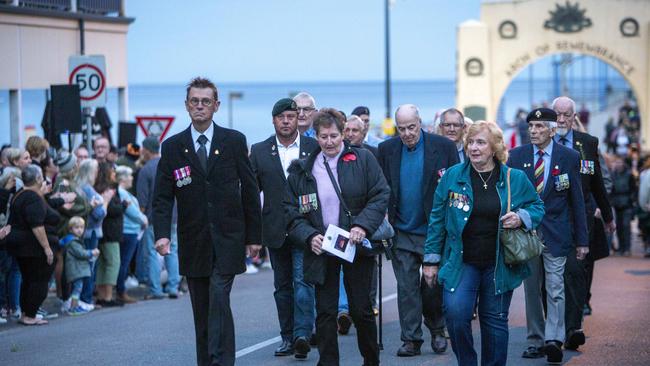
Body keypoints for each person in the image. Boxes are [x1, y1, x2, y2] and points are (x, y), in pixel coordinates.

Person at [153, 77, 262, 366]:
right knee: (201, 308)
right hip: (193, 240)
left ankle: (221, 361)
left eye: (205, 101)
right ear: (187, 106)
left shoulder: (234, 141)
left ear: (216, 106)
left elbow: (250, 191)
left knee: (218, 298)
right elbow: (162, 197)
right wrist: (161, 234)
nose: (199, 106)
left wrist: (254, 237)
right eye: (194, 101)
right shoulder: (173, 147)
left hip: (228, 239)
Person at [423, 121, 544, 366]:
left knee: (495, 321)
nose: (474, 148)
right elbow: (437, 219)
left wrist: (521, 217)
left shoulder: (514, 178)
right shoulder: (453, 176)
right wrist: (431, 259)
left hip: (499, 263)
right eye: (470, 143)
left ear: (495, 147)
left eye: (481, 142)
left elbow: (537, 206)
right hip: (461, 261)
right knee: (456, 314)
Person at [284, 108, 390, 366]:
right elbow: (290, 211)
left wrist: (362, 226)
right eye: (323, 137)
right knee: (326, 311)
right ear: (316, 137)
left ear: (344, 134)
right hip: (321, 247)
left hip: (355, 245)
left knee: (361, 310)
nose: (329, 142)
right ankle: (328, 362)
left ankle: (371, 360)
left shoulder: (363, 159)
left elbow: (380, 194)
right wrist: (309, 236)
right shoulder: (303, 169)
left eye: (334, 136)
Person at [508, 108, 588, 364]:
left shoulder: (569, 157)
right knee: (532, 290)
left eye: (540, 126)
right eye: (531, 126)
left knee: (555, 288)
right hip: (526, 235)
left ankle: (554, 339)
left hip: (557, 233)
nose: (533, 130)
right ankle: (535, 340)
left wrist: (582, 240)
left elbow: (577, 200)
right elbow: (510, 197)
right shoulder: (516, 156)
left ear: (553, 130)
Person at [378, 104, 458, 357]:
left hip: (433, 230)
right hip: (401, 230)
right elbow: (382, 188)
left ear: (420, 123)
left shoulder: (443, 147)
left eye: (411, 127)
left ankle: (436, 329)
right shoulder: (386, 149)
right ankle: (411, 339)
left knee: (432, 285)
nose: (407, 133)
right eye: (401, 129)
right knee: (406, 287)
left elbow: (457, 184)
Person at [250, 98, 318, 358]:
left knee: (304, 282)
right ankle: (287, 337)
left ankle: (302, 334)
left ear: (298, 118)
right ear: (274, 120)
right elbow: (251, 193)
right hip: (275, 229)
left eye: (292, 116)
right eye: (282, 117)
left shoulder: (313, 147)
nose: (287, 121)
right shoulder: (259, 150)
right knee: (282, 287)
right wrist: (253, 236)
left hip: (306, 228)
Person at [552, 96, 615, 349]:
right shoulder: (544, 142)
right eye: (557, 114)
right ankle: (555, 328)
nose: (562, 119)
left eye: (567, 114)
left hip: (583, 219)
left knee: (577, 273)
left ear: (574, 116)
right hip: (553, 220)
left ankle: (573, 327)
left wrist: (608, 216)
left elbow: (597, 181)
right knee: (554, 277)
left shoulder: (587, 143)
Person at [5, 165, 59, 325]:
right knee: (38, 281)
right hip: (34, 248)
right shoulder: (31, 197)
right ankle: (30, 315)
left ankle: (27, 314)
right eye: (41, 176)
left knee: (29, 280)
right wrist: (47, 248)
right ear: (37, 178)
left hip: (24, 247)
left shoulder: (20, 194)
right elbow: (36, 225)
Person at [138, 136, 180, 299]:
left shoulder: (145, 170)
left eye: (142, 149)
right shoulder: (170, 166)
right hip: (173, 216)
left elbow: (142, 201)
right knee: (173, 250)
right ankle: (173, 286)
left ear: (147, 150)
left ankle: (156, 289)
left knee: (153, 252)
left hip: (153, 218)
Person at [75, 159, 109, 307]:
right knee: (90, 265)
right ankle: (87, 298)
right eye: (95, 170)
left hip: (84, 230)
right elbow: (98, 214)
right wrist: (105, 202)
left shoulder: (79, 187)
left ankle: (84, 298)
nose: (97, 173)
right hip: (91, 231)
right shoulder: (88, 189)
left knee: (86, 264)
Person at [116, 165, 147, 303]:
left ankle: (120, 290)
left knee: (124, 262)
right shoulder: (121, 193)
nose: (132, 178)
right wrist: (143, 219)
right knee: (124, 262)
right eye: (129, 175)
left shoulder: (124, 193)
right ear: (122, 178)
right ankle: (120, 291)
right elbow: (132, 212)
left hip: (131, 231)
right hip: (128, 231)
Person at [94, 162, 124, 307]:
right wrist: (123, 205)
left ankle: (101, 296)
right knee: (113, 263)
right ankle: (108, 297)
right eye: (113, 172)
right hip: (110, 232)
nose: (115, 175)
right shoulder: (109, 190)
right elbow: (112, 210)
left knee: (102, 264)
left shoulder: (98, 187)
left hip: (103, 232)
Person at [63, 216, 99, 315]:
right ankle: (73, 308)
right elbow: (81, 253)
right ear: (70, 229)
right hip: (76, 270)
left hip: (77, 269)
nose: (80, 230)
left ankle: (74, 306)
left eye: (81, 227)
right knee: (77, 288)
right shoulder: (73, 242)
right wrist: (92, 252)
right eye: (76, 227)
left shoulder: (74, 240)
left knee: (77, 288)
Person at [609, 155, 636, 256]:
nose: (618, 164)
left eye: (620, 162)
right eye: (617, 162)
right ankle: (621, 247)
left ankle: (627, 248)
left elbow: (634, 188)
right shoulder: (613, 174)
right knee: (619, 226)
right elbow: (611, 189)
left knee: (626, 226)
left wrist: (631, 199)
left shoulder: (629, 175)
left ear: (623, 164)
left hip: (627, 203)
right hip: (616, 203)